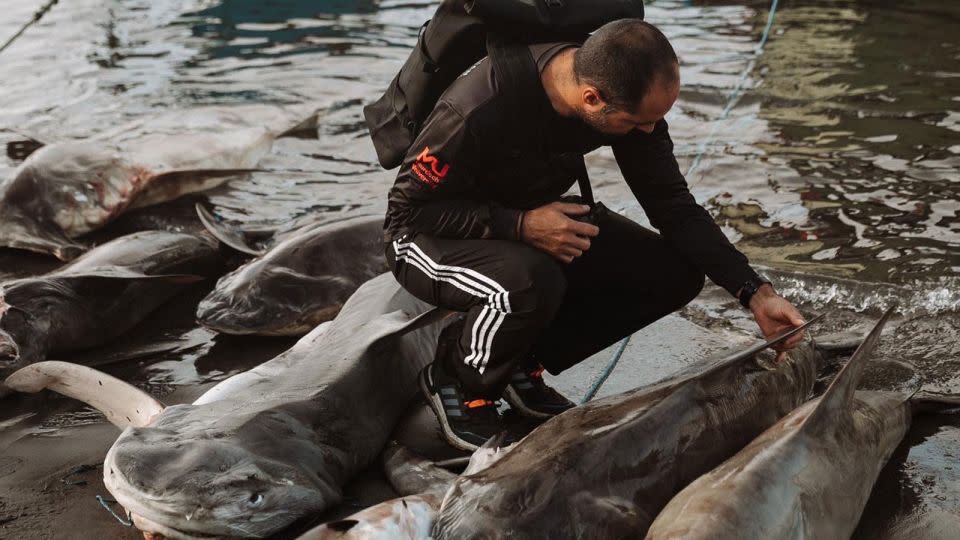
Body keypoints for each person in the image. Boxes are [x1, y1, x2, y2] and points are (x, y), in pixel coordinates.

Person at [381, 19, 805, 451]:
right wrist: (520, 225)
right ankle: (457, 381)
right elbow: (407, 211)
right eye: (638, 123)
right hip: (422, 236)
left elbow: (673, 206)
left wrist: (755, 292)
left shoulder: (624, 100)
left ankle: (519, 362)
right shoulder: (474, 110)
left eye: (657, 120)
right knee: (528, 282)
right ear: (591, 99)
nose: (649, 132)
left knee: (674, 274)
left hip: (521, 219)